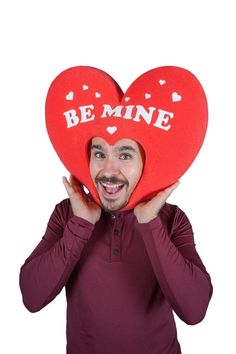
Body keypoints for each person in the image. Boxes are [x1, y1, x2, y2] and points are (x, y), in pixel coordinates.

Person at [20, 137, 213, 354]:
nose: (109, 171)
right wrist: (81, 224)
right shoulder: (68, 213)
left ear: (145, 164)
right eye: (100, 154)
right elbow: (32, 297)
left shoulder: (172, 219)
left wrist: (150, 224)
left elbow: (195, 311)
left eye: (125, 156)